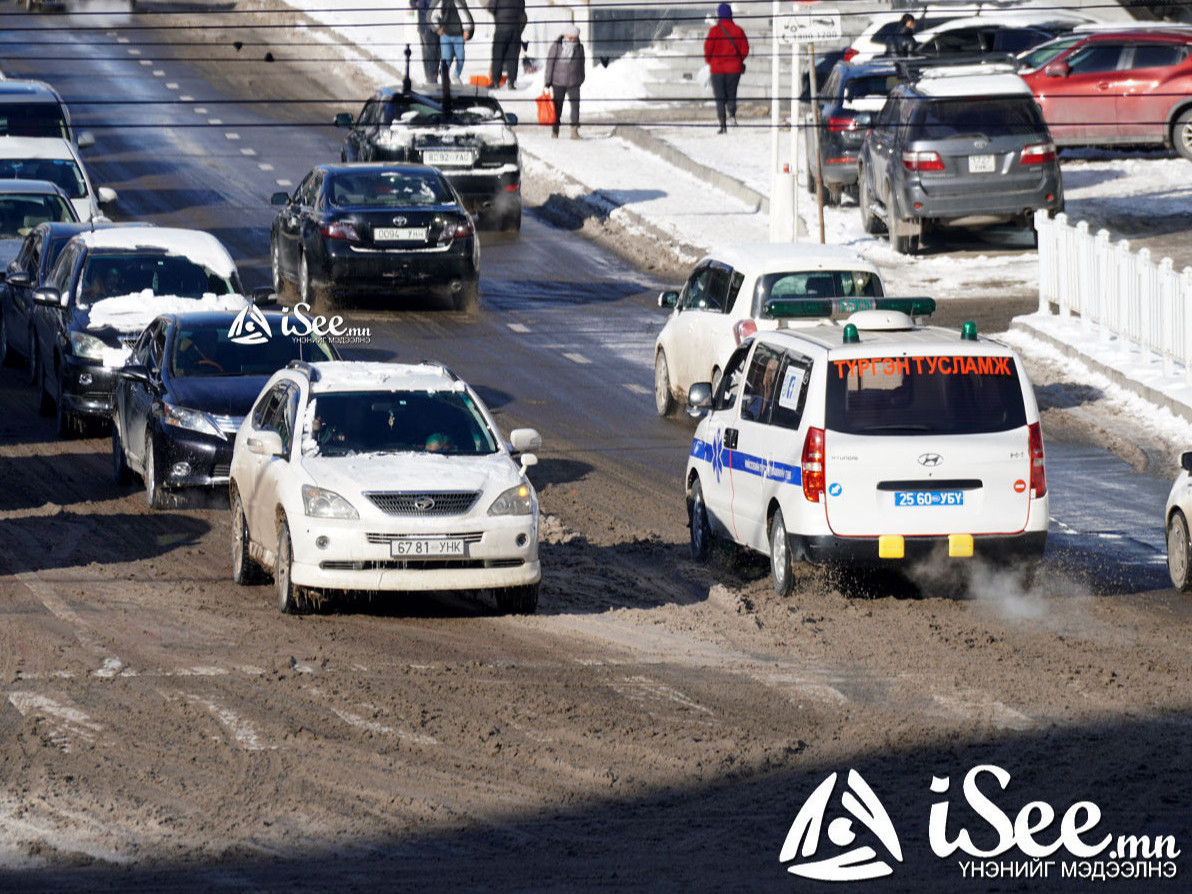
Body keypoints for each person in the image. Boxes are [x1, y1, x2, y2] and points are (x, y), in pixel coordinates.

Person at [704, 3, 749, 135]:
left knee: (719, 97)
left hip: (717, 69)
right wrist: (738, 60)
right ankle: (732, 116)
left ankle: (722, 124)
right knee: (732, 94)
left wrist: (711, 62)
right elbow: (745, 49)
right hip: (734, 69)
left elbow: (708, 50)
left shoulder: (714, 31)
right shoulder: (738, 30)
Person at [545, 24, 585, 140]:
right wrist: (548, 81)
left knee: (575, 107)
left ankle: (574, 131)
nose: (572, 40)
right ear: (564, 36)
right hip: (558, 82)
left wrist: (581, 78)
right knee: (557, 108)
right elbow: (550, 64)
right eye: (569, 37)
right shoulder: (557, 46)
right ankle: (555, 130)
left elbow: (582, 64)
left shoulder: (579, 48)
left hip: (574, 82)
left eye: (574, 38)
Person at [429, 0, 475, 85]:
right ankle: (444, 78)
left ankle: (456, 76)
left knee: (460, 58)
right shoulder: (441, 2)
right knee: (446, 59)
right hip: (445, 35)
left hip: (459, 36)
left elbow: (464, 15)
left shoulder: (459, 1)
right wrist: (437, 28)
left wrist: (467, 29)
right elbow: (433, 16)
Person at [486, 0, 526, 89]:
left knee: (498, 56)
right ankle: (511, 82)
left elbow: (491, 8)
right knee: (512, 57)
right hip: (515, 30)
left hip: (502, 29)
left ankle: (496, 82)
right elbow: (522, 10)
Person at [411, 0, 442, 83]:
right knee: (430, 53)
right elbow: (413, 3)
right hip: (427, 28)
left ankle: (431, 77)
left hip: (434, 27)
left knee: (435, 52)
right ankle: (431, 78)